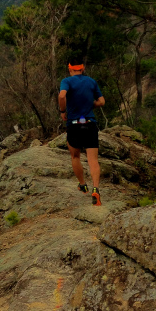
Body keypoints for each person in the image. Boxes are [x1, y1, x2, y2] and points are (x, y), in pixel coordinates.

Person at [58, 58, 105, 206]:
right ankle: (96, 189)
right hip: (90, 124)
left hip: (74, 124)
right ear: (82, 69)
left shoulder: (67, 81)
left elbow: (61, 95)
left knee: (75, 156)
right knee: (93, 160)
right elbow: (102, 102)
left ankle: (83, 185)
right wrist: (91, 105)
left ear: (70, 69)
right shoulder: (91, 81)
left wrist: (63, 110)